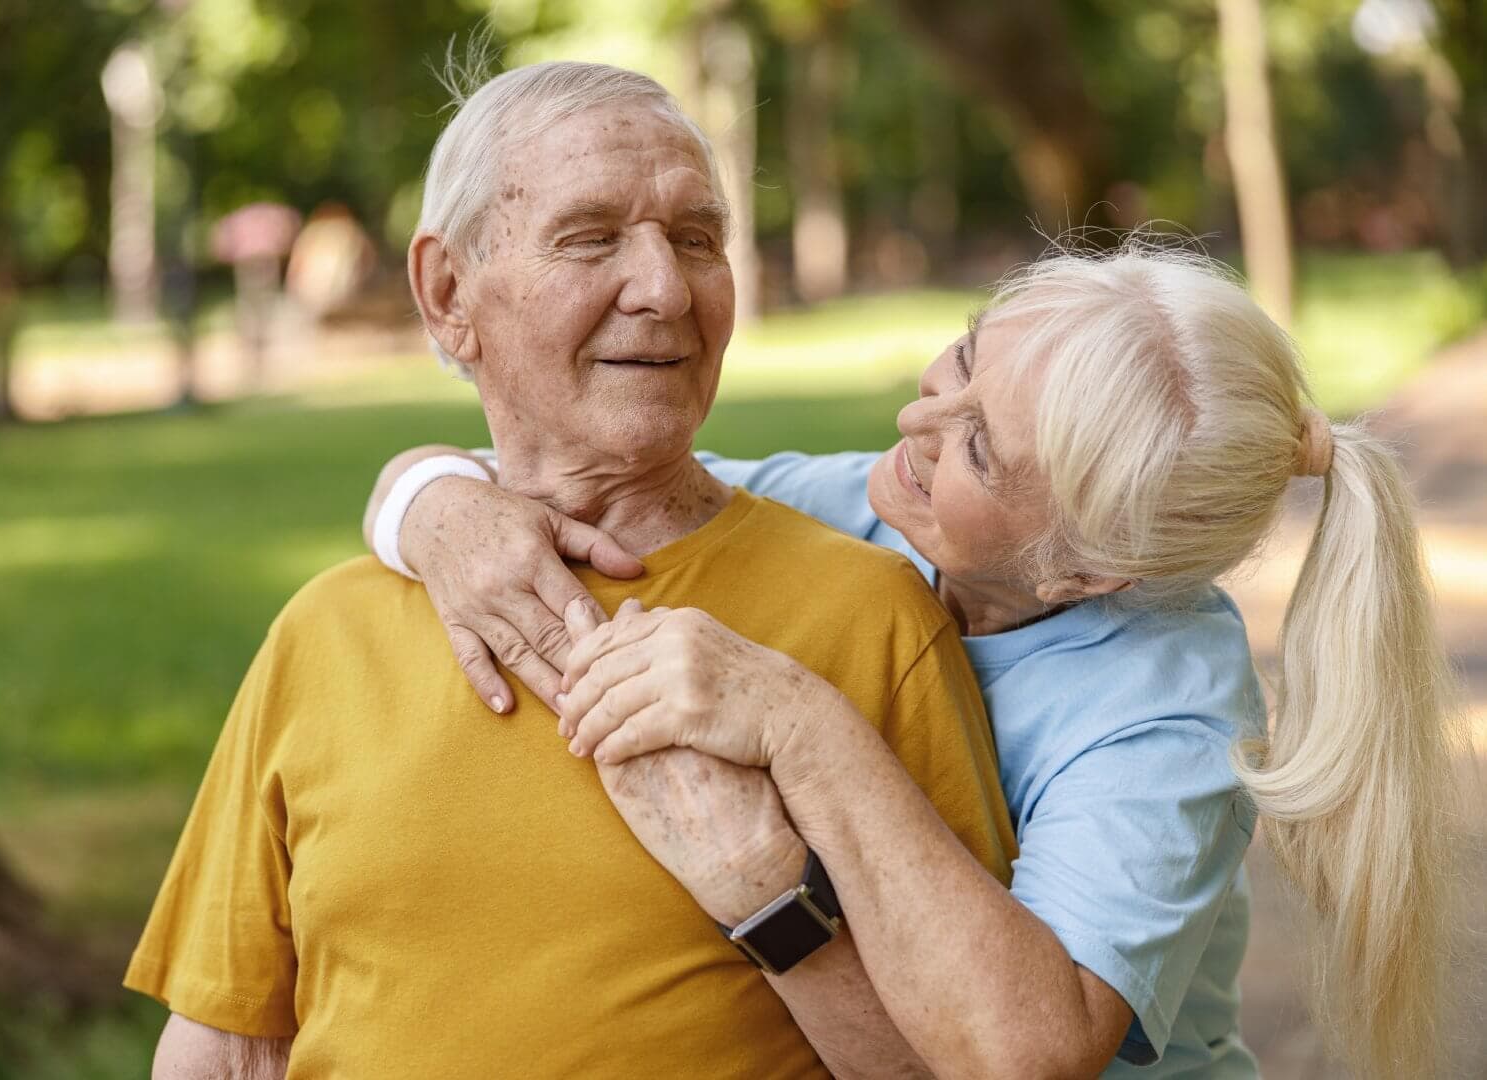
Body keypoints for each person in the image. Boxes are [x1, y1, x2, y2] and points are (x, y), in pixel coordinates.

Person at [364, 238, 1463, 1079]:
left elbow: (1029, 1050)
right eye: (964, 358)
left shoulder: (1165, 705)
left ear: (1088, 572)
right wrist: (430, 499)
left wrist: (799, 725)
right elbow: (557, 503)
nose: (916, 416)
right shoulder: (867, 504)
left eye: (979, 447)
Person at [127, 60, 1015, 1080]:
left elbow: (964, 1065)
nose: (665, 288)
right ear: (448, 292)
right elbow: (231, 1049)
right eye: (592, 238)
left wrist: (773, 899)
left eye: (697, 239)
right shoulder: (325, 633)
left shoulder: (870, 619)